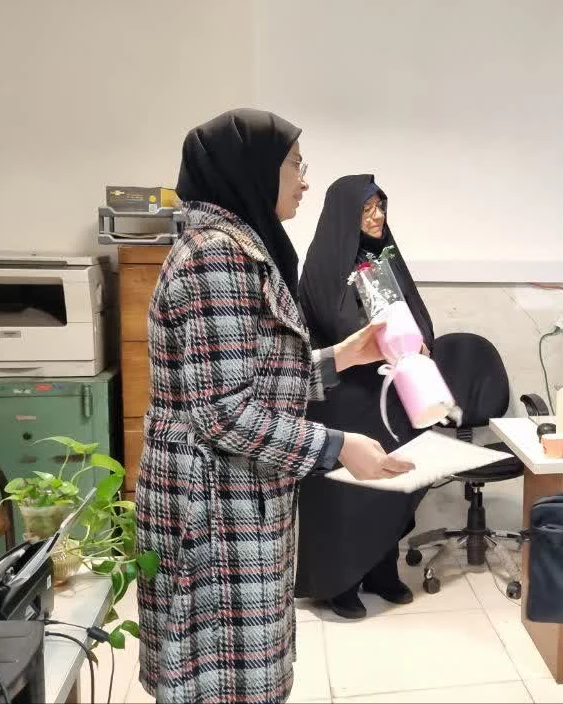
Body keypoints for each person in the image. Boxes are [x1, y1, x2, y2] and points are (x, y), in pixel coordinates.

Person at [135, 109, 413, 703]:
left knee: (238, 675)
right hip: (212, 508)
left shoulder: (239, 247)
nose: (304, 181)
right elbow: (224, 413)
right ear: (253, 169)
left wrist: (343, 356)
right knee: (221, 682)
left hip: (234, 495)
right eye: (294, 165)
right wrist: (337, 447)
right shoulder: (216, 258)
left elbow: (256, 377)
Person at [294, 174, 435, 619]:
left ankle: (381, 571)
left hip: (386, 394)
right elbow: (339, 327)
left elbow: (416, 317)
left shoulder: (385, 259)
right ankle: (338, 584)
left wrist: (419, 343)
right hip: (342, 397)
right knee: (345, 495)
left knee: (389, 484)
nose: (377, 217)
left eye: (380, 207)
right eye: (366, 209)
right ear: (344, 215)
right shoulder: (323, 263)